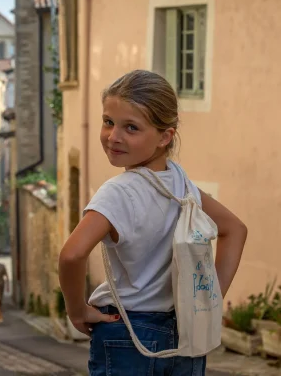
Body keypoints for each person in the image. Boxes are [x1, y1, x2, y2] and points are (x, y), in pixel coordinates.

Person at [58, 70, 248, 375]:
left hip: (127, 335)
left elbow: (71, 254)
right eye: (108, 122)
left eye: (131, 127)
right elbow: (235, 229)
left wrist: (76, 309)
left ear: (165, 137)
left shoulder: (118, 192)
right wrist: (207, 301)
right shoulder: (182, 185)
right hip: (185, 333)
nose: (114, 136)